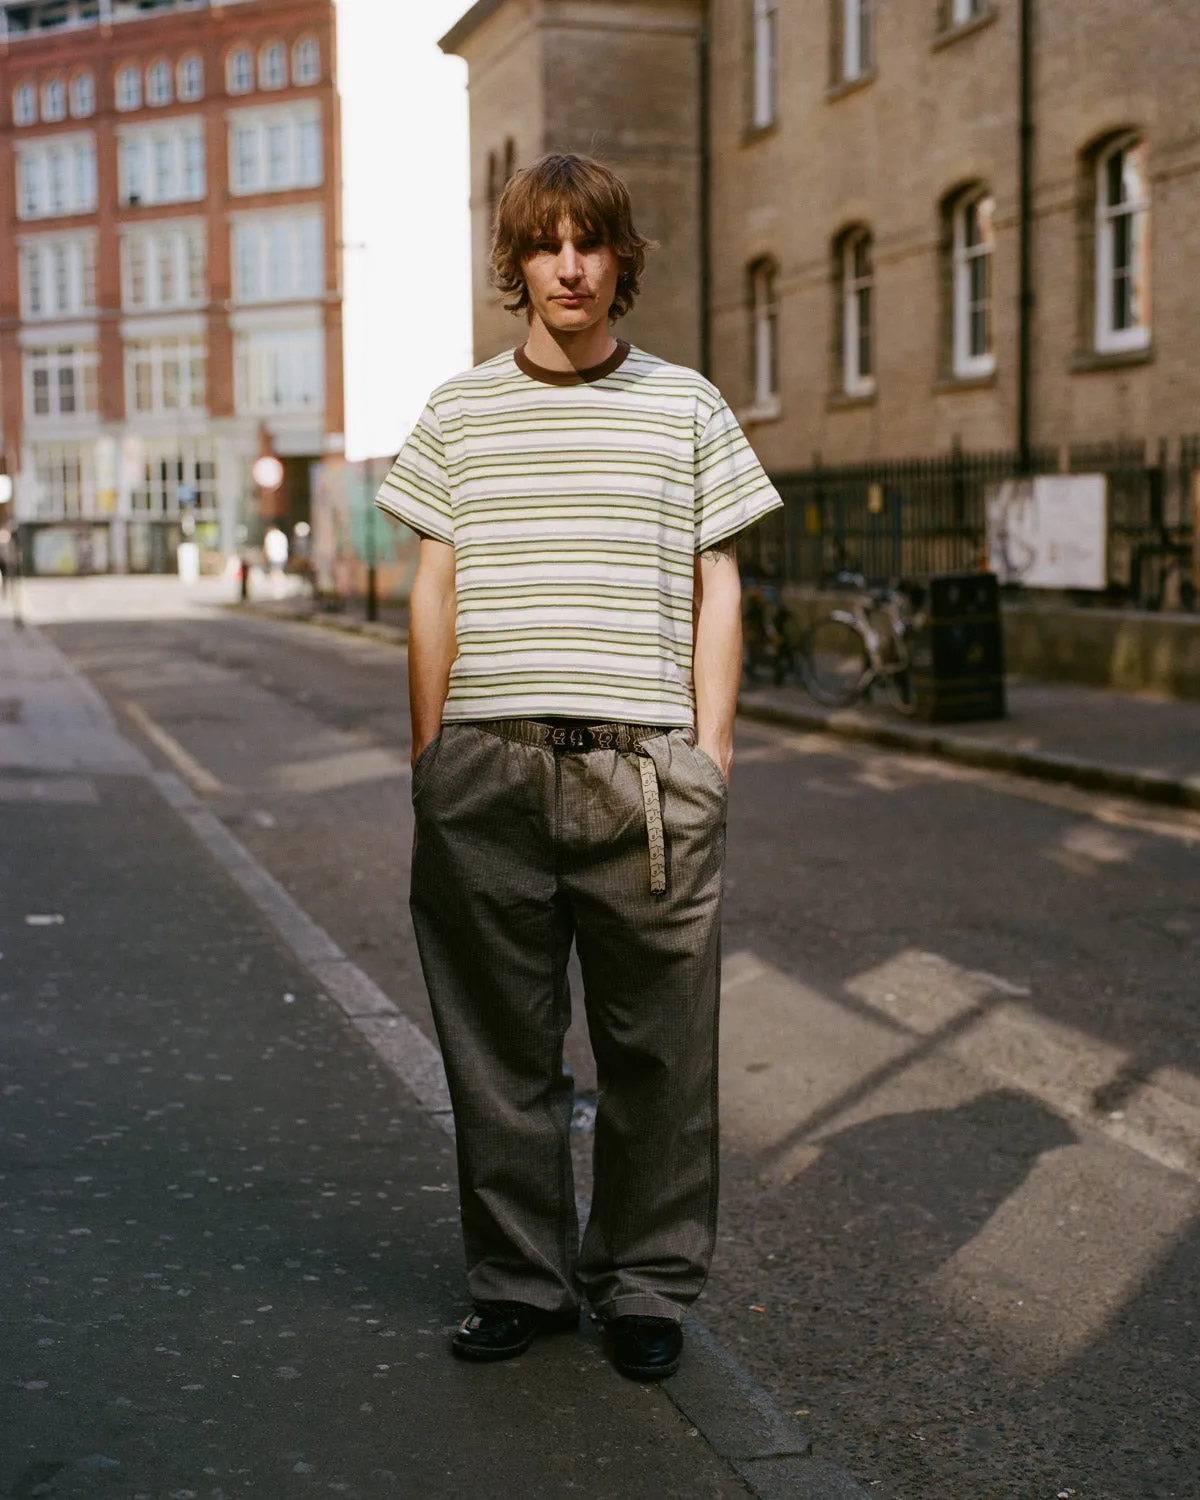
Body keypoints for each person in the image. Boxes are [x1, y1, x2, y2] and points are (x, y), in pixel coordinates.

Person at [375, 153, 781, 1381]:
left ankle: (646, 1285)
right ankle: (521, 1282)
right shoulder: (458, 412)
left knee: (660, 1054)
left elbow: (720, 583)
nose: (568, 265)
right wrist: (431, 757)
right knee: (499, 1054)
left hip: (646, 778)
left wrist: (710, 754)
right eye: (544, 244)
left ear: (620, 261)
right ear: (517, 264)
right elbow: (433, 586)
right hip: (488, 771)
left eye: (589, 243)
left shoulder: (689, 408)